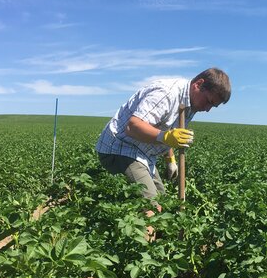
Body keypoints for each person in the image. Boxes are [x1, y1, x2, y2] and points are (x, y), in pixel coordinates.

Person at [96, 68, 231, 205]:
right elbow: (133, 126)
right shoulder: (167, 93)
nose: (207, 109)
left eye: (213, 106)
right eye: (208, 101)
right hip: (121, 149)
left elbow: (167, 130)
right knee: (152, 207)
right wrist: (166, 137)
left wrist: (170, 159)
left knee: (162, 200)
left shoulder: (191, 104)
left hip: (144, 154)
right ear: (198, 84)